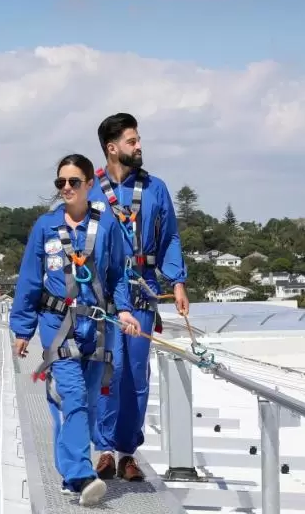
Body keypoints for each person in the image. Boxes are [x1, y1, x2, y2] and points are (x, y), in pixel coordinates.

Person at [11, 153, 142, 505]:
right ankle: (83, 475)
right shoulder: (45, 227)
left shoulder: (106, 225)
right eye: (60, 183)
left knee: (81, 406)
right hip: (58, 325)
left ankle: (69, 476)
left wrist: (125, 311)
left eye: (73, 182)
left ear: (88, 184)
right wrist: (22, 329)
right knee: (74, 399)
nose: (66, 188)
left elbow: (117, 274)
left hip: (97, 327)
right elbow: (28, 280)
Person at [90, 113, 188, 482]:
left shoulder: (155, 189)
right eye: (132, 141)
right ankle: (103, 451)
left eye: (139, 139)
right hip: (101, 292)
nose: (139, 146)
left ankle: (128, 451)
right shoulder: (92, 189)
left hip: (143, 288)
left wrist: (177, 281)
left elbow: (171, 238)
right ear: (112, 148)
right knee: (105, 372)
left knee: (134, 374)